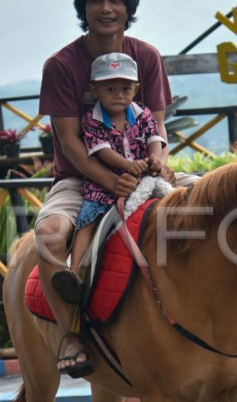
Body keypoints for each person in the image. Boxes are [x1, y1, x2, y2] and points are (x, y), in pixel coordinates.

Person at [34, 0, 190, 377]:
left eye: (116, 0)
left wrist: (160, 164)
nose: (106, 9)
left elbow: (156, 124)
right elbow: (69, 140)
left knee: (216, 201)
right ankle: (71, 331)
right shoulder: (62, 66)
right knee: (48, 233)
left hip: (144, 170)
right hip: (80, 177)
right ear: (83, 7)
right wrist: (112, 181)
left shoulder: (147, 56)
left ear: (129, 7)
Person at [53, 52, 167, 299]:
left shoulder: (143, 114)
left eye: (125, 88)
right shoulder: (91, 120)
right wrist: (127, 165)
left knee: (173, 206)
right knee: (88, 217)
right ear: (95, 90)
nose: (119, 94)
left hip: (142, 178)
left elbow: (155, 137)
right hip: (104, 182)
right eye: (111, 88)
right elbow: (101, 151)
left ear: (136, 89)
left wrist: (155, 158)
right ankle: (74, 271)